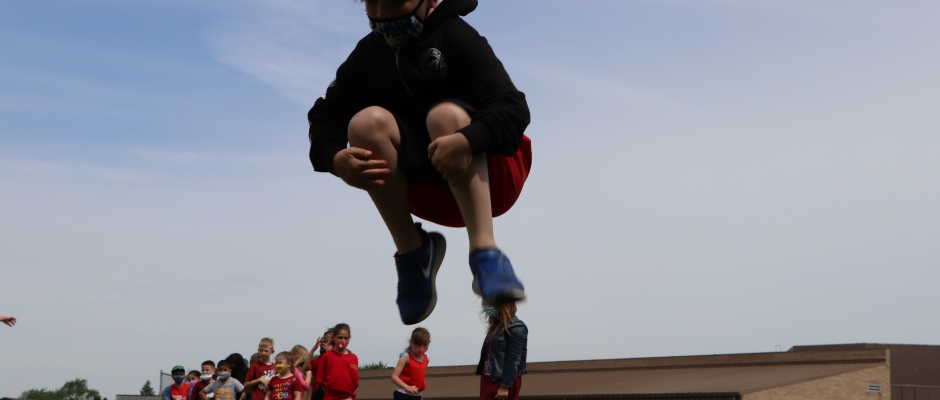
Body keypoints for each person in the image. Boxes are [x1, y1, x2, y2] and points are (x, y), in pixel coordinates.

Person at [307, 0, 530, 325]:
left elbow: (513, 108)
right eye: (372, 2)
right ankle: (413, 253)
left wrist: (468, 140)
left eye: (394, 1)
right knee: (364, 124)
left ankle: (486, 253)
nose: (381, 14)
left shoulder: (456, 36)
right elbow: (325, 116)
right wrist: (333, 157)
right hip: (427, 190)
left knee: (445, 116)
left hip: (490, 179)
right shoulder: (367, 55)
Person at [476, 303, 526, 400]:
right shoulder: (496, 327)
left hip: (502, 381)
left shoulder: (516, 327)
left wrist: (505, 385)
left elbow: (514, 358)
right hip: (489, 378)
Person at [315, 323, 358, 400]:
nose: (343, 340)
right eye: (340, 337)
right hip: (331, 397)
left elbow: (355, 382)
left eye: (346, 338)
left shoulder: (353, 358)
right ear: (333, 337)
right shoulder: (327, 357)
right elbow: (321, 381)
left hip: (348, 397)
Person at [390, 327, 430, 399]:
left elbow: (419, 380)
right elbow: (394, 377)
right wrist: (407, 387)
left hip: (417, 395)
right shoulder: (406, 357)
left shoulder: (427, 359)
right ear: (411, 342)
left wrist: (421, 396)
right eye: (418, 346)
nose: (421, 349)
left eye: (424, 346)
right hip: (403, 394)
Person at [304, 329, 334, 400]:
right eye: (323, 342)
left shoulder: (339, 358)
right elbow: (306, 367)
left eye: (327, 342)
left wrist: (329, 352)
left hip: (332, 391)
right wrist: (312, 350)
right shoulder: (319, 359)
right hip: (319, 392)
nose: (324, 344)